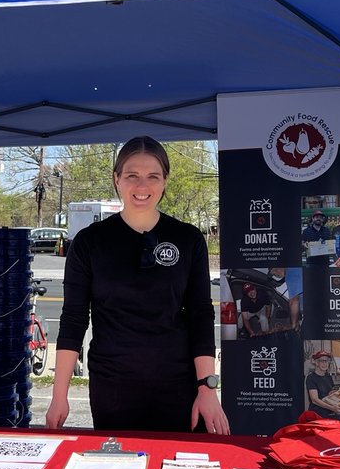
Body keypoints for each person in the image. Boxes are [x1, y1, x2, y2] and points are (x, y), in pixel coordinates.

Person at [46, 136, 228, 434]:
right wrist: (58, 396)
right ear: (116, 179)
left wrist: (207, 388)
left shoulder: (188, 238)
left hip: (178, 386)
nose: (142, 187)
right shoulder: (90, 242)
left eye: (152, 176)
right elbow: (73, 320)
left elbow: (200, 315)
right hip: (113, 389)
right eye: (132, 176)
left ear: (165, 180)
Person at [266, 267, 302, 332]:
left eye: (275, 269)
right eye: (273, 274)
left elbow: (294, 301)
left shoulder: (290, 273)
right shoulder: (295, 268)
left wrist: (294, 326)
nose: (275, 273)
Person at [305, 350, 338, 414]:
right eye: (322, 361)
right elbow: (315, 400)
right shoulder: (311, 378)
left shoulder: (328, 376)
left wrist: (336, 393)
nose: (325, 364)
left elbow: (330, 392)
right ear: (316, 363)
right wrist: (332, 408)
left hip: (329, 413)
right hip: (317, 413)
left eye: (327, 361)